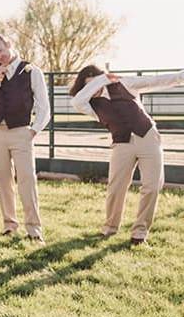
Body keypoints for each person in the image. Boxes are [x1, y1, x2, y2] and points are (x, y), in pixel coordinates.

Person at [70, 65, 184, 245]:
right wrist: (100, 79)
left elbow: (154, 81)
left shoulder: (124, 83)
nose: (95, 90)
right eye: (89, 87)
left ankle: (140, 232)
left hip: (147, 137)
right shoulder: (88, 105)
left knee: (152, 186)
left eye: (97, 84)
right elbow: (76, 101)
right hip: (121, 144)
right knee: (116, 188)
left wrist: (180, 76)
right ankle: (110, 228)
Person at [0, 35, 50, 242]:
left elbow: (44, 107)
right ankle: (9, 224)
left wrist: (33, 131)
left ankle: (34, 230)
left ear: (10, 45)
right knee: (3, 180)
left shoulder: (31, 71)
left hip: (21, 133)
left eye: (1, 50)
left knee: (27, 180)